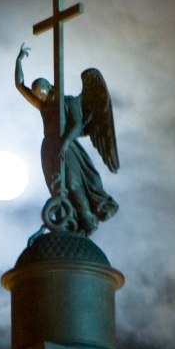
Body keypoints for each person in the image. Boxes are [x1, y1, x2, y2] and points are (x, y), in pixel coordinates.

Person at [15, 43, 118, 235]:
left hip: (67, 145)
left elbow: (77, 124)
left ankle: (87, 218)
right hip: (49, 146)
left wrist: (65, 143)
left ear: (48, 88)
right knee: (57, 186)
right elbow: (20, 86)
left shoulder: (70, 102)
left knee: (71, 182)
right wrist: (19, 61)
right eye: (37, 95)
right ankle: (67, 219)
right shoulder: (43, 106)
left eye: (42, 93)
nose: (40, 98)